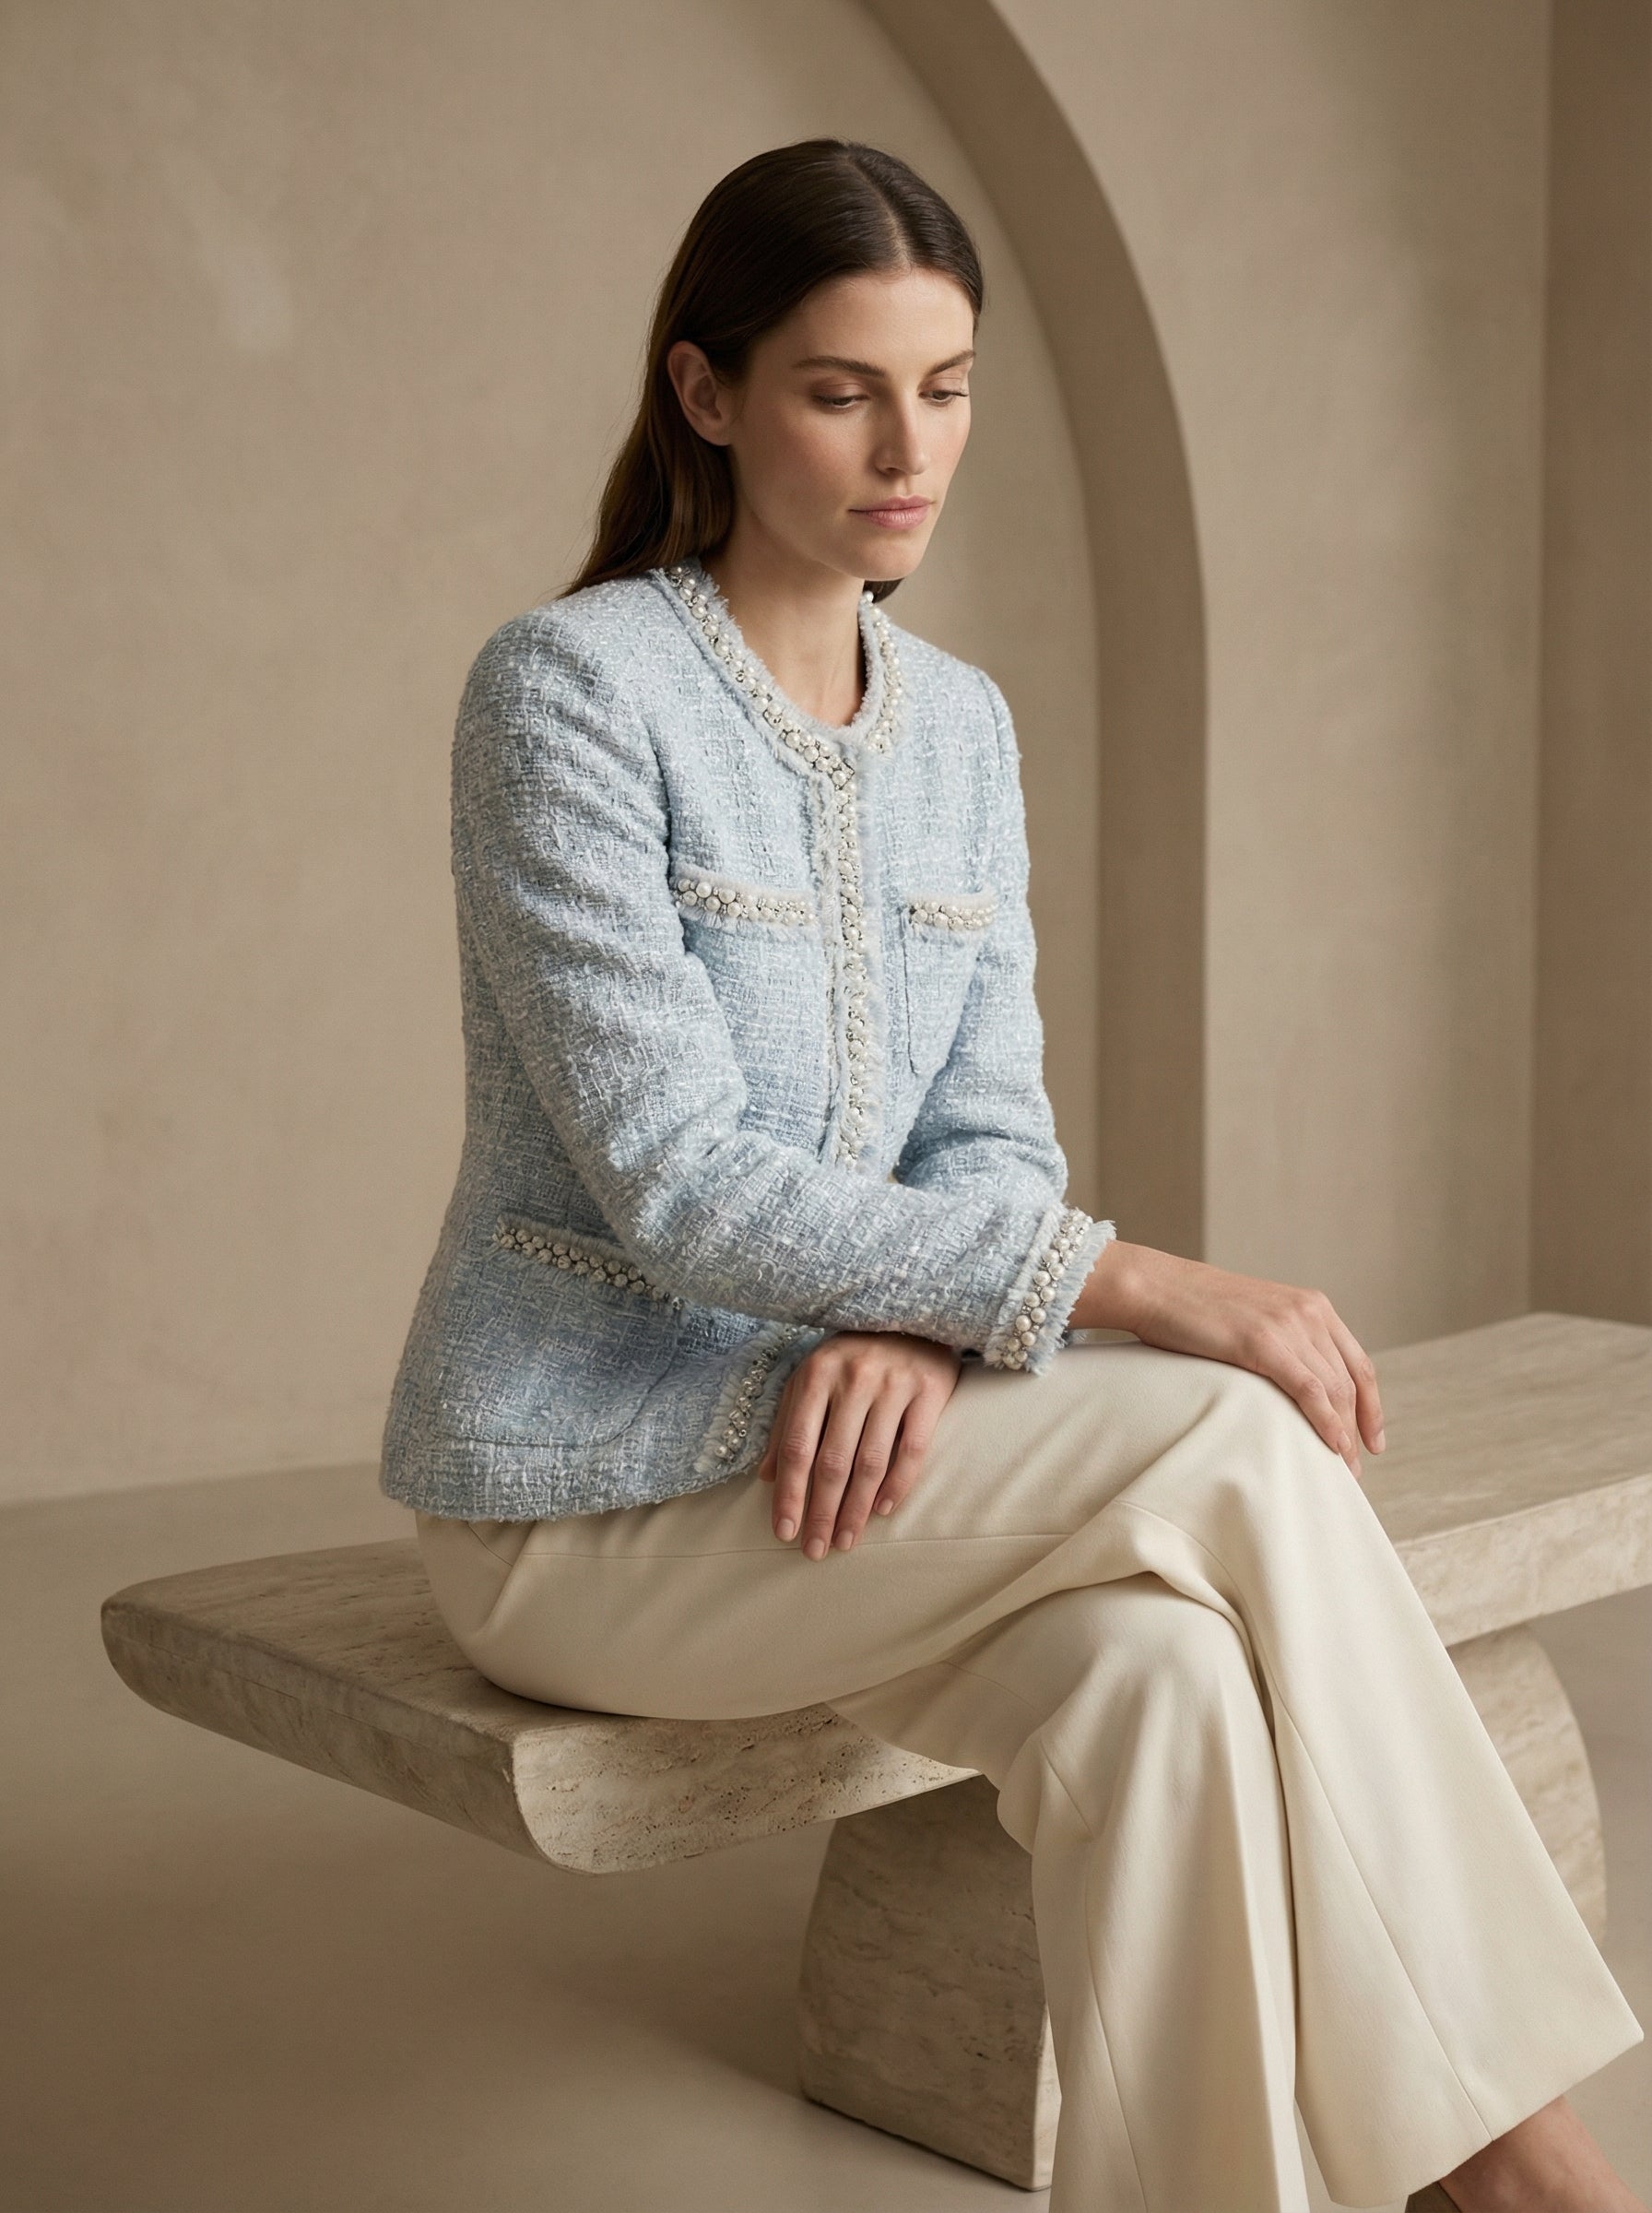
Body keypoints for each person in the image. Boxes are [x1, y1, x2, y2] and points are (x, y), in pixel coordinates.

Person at [380, 139, 1643, 2211]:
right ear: (706, 392)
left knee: (1160, 1690)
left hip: (861, 1464)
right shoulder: (568, 693)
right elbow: (679, 1183)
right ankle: (1515, 2166)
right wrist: (1122, 1283)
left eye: (947, 387)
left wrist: (925, 1322)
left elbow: (990, 1136)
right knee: (1233, 1431)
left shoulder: (959, 728)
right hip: (583, 1499)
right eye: (841, 391)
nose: (911, 451)